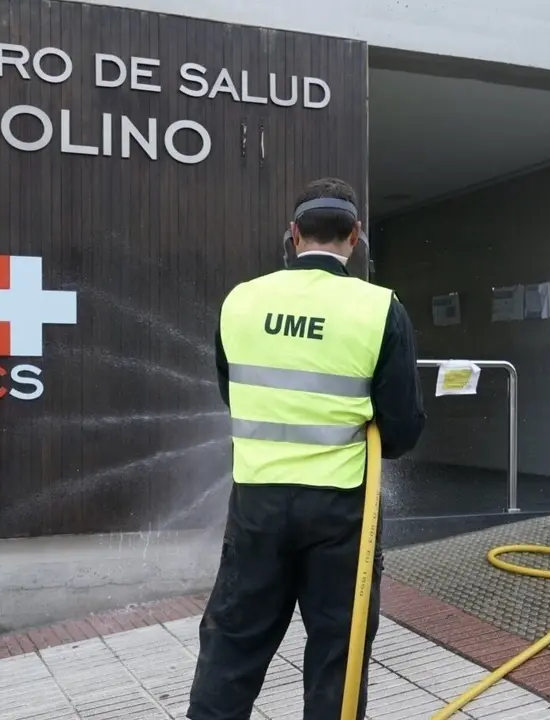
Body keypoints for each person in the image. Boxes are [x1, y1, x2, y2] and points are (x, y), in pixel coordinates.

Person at [187, 177, 426, 720]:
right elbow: (402, 430)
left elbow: (235, 395)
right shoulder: (380, 308)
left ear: (293, 234)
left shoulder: (241, 301)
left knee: (232, 646)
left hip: (256, 507)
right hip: (342, 514)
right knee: (336, 660)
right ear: (356, 235)